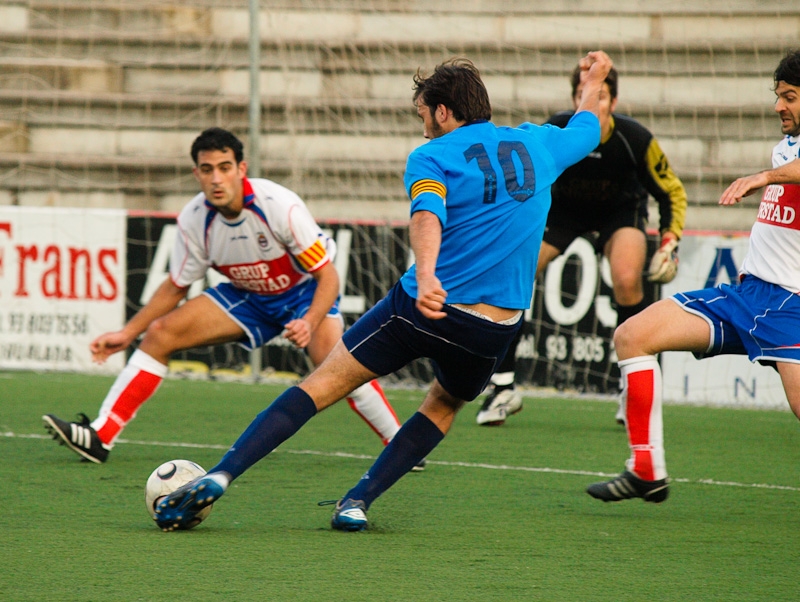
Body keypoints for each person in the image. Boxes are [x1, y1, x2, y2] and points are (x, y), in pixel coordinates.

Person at [153, 51, 614, 532]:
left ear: (442, 111)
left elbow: (427, 213)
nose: (423, 127)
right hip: (492, 331)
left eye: (423, 115)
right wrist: (593, 80)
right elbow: (587, 124)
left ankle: (223, 474)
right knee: (442, 405)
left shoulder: (431, 156)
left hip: (422, 308)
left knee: (321, 385)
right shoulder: (539, 145)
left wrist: (429, 273)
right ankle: (357, 502)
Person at [42, 127, 409, 467]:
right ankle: (100, 436)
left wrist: (309, 321)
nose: (216, 178)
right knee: (160, 334)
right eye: (207, 169)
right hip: (248, 297)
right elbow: (175, 286)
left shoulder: (278, 205)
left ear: (240, 168)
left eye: (224, 167)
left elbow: (327, 275)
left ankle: (403, 445)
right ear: (196, 174)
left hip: (304, 293)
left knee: (341, 367)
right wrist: (127, 333)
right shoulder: (194, 219)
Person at [586, 48, 800, 503]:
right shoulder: (786, 147)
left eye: (791, 97)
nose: (778, 106)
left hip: (791, 306)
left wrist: (765, 177)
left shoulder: (783, 164)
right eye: (779, 96)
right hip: (746, 295)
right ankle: (646, 469)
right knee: (633, 336)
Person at [476, 60, 688, 427]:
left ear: (614, 101)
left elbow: (671, 190)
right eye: (583, 95)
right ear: (576, 100)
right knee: (515, 271)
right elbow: (524, 179)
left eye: (600, 96)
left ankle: (631, 389)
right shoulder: (558, 129)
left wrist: (670, 239)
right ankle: (504, 387)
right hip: (563, 214)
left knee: (625, 277)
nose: (591, 102)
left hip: (620, 213)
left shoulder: (634, 139)